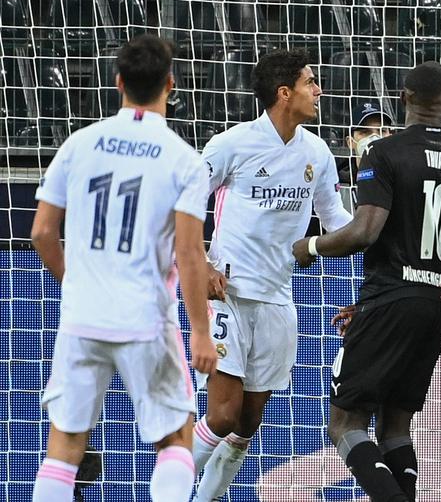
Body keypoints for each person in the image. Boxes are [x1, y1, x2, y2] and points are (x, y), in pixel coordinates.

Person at [30, 34, 217, 502]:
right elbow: (191, 255)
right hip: (145, 319)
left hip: (82, 317)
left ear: (118, 83)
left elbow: (41, 232)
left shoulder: (80, 143)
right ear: (171, 85)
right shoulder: (182, 159)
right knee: (175, 440)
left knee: (64, 448)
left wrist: (75, 281)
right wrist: (199, 332)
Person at [291, 61, 441, 502]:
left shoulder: (385, 153)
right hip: (437, 305)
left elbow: (365, 232)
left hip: (392, 296)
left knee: (344, 423)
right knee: (395, 423)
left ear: (403, 98)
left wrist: (310, 247)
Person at [191, 49, 352, 500]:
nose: (319, 90)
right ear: (285, 93)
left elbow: (334, 217)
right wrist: (201, 263)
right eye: (310, 82)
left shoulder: (316, 152)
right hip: (228, 296)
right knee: (221, 415)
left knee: (245, 426)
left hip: (278, 299)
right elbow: (182, 206)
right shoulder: (231, 144)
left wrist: (375, 235)